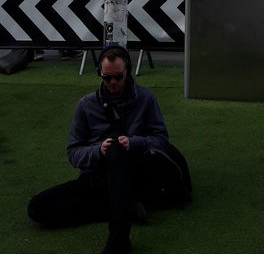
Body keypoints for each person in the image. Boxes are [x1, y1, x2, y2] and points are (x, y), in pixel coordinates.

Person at [27, 45, 192, 254]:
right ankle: (124, 209)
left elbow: (161, 140)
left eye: (118, 77)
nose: (113, 83)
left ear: (127, 71)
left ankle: (119, 235)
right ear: (100, 74)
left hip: (134, 175)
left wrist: (133, 143)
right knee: (37, 207)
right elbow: (73, 152)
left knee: (116, 149)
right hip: (98, 179)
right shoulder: (86, 105)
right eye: (107, 78)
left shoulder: (145, 97)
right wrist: (98, 151)